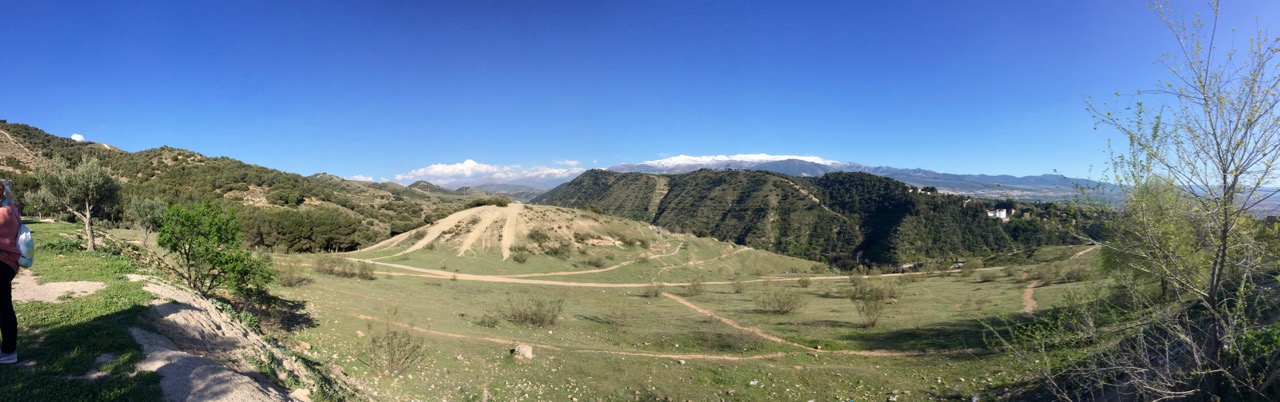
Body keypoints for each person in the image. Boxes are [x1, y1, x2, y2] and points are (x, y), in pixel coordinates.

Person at [0, 180, 21, 363]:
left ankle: (8, 352)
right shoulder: (12, 210)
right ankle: (8, 351)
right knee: (4, 308)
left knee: (4, 309)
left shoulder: (2, 214)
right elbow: (10, 199)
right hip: (8, 264)